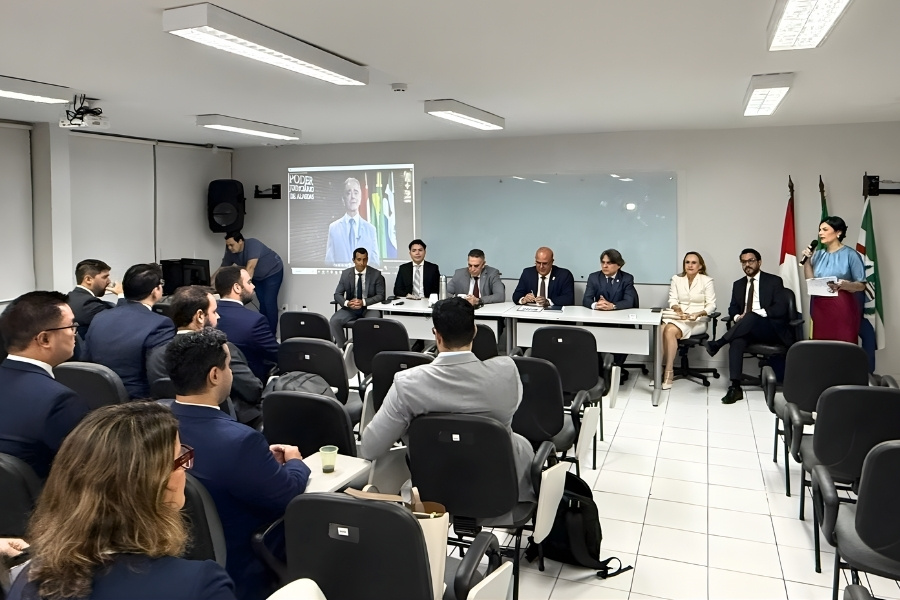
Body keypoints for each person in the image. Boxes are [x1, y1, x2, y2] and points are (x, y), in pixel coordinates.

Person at [7, 402, 236, 600]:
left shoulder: (27, 578)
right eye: (180, 459)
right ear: (156, 483)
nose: (185, 469)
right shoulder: (200, 585)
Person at [167, 329, 309, 600]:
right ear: (214, 375)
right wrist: (295, 462)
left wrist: (261, 463)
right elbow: (288, 494)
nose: (231, 373)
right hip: (243, 563)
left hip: (179, 553)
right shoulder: (241, 442)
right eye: (229, 365)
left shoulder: (154, 423)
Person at [361, 297, 535, 503]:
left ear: (437, 335)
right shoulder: (506, 371)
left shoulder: (408, 384)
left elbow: (371, 448)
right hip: (501, 494)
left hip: (434, 494)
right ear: (475, 331)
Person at [0, 291, 89, 479]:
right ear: (44, 339)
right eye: (72, 326)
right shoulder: (60, 402)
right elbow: (90, 471)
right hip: (41, 505)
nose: (75, 334)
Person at [146, 286, 263, 426]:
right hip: (224, 424)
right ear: (200, 316)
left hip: (171, 426)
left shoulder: (155, 355)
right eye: (214, 312)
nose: (218, 316)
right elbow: (252, 391)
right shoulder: (222, 350)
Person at [705, 249, 794, 404]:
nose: (747, 264)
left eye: (751, 261)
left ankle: (718, 343)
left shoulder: (774, 281)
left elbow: (780, 309)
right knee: (737, 341)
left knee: (752, 315)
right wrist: (737, 317)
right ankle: (735, 387)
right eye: (744, 262)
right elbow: (733, 308)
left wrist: (755, 313)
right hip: (747, 328)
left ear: (759, 262)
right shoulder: (738, 284)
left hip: (770, 329)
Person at [82, 263, 176, 399]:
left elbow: (85, 362)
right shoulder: (160, 324)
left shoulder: (100, 317)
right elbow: (160, 377)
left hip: (98, 403)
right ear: (156, 290)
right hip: (139, 407)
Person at [802, 216, 867, 344]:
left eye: (825, 229)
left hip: (842, 307)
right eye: (820, 229)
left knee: (843, 345)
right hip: (819, 307)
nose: (820, 233)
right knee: (822, 347)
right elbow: (810, 280)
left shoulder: (850, 254)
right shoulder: (819, 254)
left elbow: (861, 285)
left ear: (838, 232)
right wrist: (807, 261)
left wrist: (846, 285)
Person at [660, 252, 716, 390]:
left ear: (700, 266)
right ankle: (659, 371)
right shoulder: (676, 279)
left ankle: (668, 372)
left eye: (694, 262)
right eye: (687, 262)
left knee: (668, 329)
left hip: (697, 321)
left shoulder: (706, 281)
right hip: (678, 317)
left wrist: (699, 313)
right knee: (660, 328)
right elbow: (672, 299)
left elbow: (711, 305)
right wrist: (677, 309)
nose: (690, 265)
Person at [214, 267, 279, 382]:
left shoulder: (207, 315)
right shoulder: (255, 321)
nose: (253, 286)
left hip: (215, 382)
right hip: (250, 386)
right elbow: (277, 355)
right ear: (237, 288)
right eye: (249, 282)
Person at [582, 249, 639, 375]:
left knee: (625, 334)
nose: (604, 266)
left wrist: (612, 306)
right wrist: (596, 305)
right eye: (602, 262)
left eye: (609, 263)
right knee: (589, 335)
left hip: (620, 322)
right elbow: (586, 299)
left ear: (618, 265)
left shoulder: (627, 278)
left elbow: (629, 301)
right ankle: (598, 370)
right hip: (598, 320)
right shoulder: (594, 277)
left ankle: (615, 368)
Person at [221, 232, 284, 336]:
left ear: (240, 241)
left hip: (273, 272)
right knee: (262, 303)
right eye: (227, 245)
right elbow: (222, 269)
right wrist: (209, 282)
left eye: (231, 245)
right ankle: (264, 333)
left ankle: (271, 336)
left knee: (269, 302)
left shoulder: (253, 244)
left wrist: (242, 287)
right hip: (258, 277)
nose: (229, 248)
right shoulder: (230, 252)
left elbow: (250, 268)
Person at [329, 247, 386, 348]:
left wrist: (363, 302)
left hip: (369, 307)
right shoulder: (346, 274)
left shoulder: (376, 274)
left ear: (367, 259)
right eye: (359, 259)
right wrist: (347, 303)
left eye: (364, 259)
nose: (362, 263)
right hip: (351, 308)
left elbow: (380, 296)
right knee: (334, 321)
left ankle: (364, 349)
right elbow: (337, 294)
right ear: (353, 260)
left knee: (371, 323)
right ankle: (344, 348)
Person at [325, 177, 380, 267]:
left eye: (356, 192)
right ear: (343, 199)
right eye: (348, 193)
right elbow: (328, 264)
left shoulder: (371, 230)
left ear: (360, 198)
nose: (353, 196)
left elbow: (375, 264)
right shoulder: (333, 228)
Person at [66, 259, 123, 339]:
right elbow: (121, 321)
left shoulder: (70, 297)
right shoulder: (88, 304)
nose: (109, 281)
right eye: (105, 277)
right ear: (88, 279)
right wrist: (122, 295)